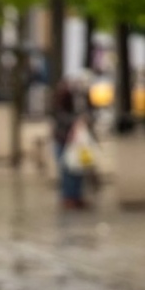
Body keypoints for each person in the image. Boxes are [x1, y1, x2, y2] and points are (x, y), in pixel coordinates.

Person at [52, 78, 90, 210]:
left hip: (73, 141)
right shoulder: (62, 100)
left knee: (77, 170)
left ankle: (75, 196)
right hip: (63, 140)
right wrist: (75, 121)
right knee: (67, 171)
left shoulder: (78, 99)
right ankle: (69, 197)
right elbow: (60, 118)